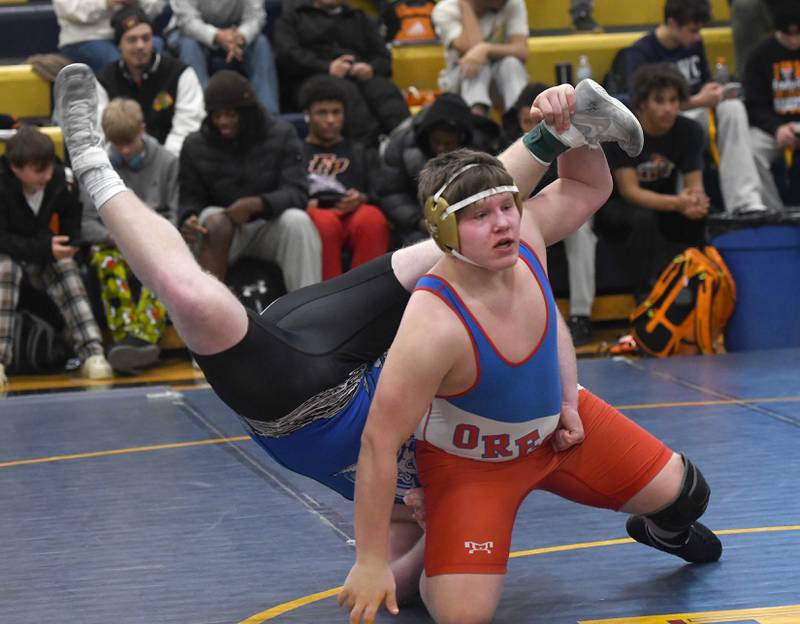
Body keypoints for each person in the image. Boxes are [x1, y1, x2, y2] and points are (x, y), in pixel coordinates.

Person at [54, 62, 649, 603]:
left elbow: (407, 580)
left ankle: (89, 163)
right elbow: (545, 330)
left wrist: (415, 536)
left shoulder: (420, 517)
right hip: (350, 344)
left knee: (193, 301)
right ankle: (557, 134)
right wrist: (568, 401)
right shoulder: (482, 454)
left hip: (288, 397)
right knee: (446, 251)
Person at [338, 84, 720, 624]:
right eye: (480, 216)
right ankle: (432, 549)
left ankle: (662, 528)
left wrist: (572, 131)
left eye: (506, 206)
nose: (503, 224)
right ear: (444, 232)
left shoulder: (527, 234)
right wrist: (370, 560)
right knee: (461, 616)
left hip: (563, 433)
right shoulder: (433, 322)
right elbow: (379, 441)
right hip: (473, 467)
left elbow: (586, 183)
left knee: (689, 494)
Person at [177, 70, 321, 291]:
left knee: (298, 221)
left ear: (248, 112)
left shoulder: (282, 134)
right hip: (223, 231)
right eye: (216, 115)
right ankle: (207, 316)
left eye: (231, 114)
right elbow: (190, 199)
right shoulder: (195, 145)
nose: (223, 122)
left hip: (268, 225)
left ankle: (308, 315)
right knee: (210, 219)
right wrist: (189, 218)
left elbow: (298, 192)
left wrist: (259, 204)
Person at [626, 0, 768, 215]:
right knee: (689, 124)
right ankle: (689, 200)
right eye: (692, 30)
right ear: (672, 23)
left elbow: (703, 83)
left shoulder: (693, 45)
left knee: (733, 108)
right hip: (662, 120)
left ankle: (745, 201)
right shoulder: (641, 53)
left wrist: (716, 91)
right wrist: (698, 101)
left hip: (696, 111)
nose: (697, 37)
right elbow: (642, 105)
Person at [0, 126, 113, 392]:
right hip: (9, 253)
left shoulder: (63, 179)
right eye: (39, 171)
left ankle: (92, 352)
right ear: (16, 168)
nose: (48, 176)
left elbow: (73, 226)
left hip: (43, 253)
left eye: (50, 167)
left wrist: (71, 246)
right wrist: (45, 249)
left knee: (67, 269)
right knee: (4, 269)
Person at [597, 63, 709, 302]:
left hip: (664, 200)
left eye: (673, 100)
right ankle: (648, 295)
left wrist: (696, 201)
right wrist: (679, 203)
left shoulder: (690, 131)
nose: (669, 108)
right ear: (643, 103)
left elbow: (694, 183)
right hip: (616, 206)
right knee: (643, 219)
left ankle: (698, 287)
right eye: (660, 100)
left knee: (698, 217)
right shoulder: (624, 130)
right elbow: (630, 192)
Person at [81, 98, 178, 373]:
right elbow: (86, 223)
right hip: (114, 243)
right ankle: (126, 339)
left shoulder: (167, 161)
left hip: (154, 240)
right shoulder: (96, 166)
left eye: (130, 143)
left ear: (143, 130)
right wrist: (115, 237)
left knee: (164, 260)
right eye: (117, 144)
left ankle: (143, 339)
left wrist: (145, 236)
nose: (124, 151)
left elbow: (175, 215)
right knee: (104, 258)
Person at [503, 82, 596, 346]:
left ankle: (581, 315)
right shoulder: (509, 145)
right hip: (522, 215)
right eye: (524, 121)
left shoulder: (568, 133)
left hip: (560, 209)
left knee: (583, 233)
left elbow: (584, 187)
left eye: (534, 120)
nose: (529, 127)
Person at [273, 0, 410, 146]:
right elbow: (287, 56)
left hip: (358, 75)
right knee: (344, 92)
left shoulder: (358, 17)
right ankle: (368, 151)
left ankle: (406, 142)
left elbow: (383, 58)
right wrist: (328, 67)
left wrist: (371, 68)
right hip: (312, 77)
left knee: (383, 88)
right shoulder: (294, 17)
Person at [299, 76, 391, 281]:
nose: (330, 119)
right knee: (324, 223)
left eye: (336, 112)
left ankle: (369, 296)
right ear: (307, 115)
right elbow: (288, 191)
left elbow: (380, 191)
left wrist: (362, 198)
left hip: (352, 214)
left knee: (372, 218)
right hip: (316, 213)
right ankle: (329, 299)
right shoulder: (296, 151)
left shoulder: (360, 150)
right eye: (322, 113)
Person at [379, 92, 500, 246]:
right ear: (427, 134)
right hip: (417, 225)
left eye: (448, 144)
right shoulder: (401, 144)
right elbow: (392, 193)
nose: (441, 150)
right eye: (436, 142)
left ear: (461, 139)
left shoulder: (483, 147)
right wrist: (419, 221)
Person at [95, 6, 205, 157]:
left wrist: (162, 165)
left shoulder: (180, 74)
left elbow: (188, 127)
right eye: (132, 40)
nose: (140, 45)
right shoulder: (104, 80)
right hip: (120, 164)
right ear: (119, 45)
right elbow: (100, 133)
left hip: (171, 163)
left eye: (146, 38)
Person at [166, 0, 280, 115]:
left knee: (261, 44)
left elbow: (256, 16)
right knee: (189, 45)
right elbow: (187, 21)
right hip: (190, 32)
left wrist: (241, 36)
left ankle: (267, 115)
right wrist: (217, 35)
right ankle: (203, 113)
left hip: (236, 31)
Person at [744, 0, 800, 212]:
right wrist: (776, 128)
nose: (794, 40)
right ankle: (773, 213)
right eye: (788, 35)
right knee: (750, 151)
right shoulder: (760, 55)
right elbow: (754, 104)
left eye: (798, 34)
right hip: (773, 128)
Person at [432, 0, 529, 117]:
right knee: (475, 66)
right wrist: (465, 5)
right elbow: (473, 47)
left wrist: (485, 48)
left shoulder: (512, 3)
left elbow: (522, 50)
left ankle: (520, 124)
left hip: (500, 78)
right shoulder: (445, 10)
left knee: (511, 64)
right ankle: (478, 124)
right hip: (460, 82)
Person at [54, 0, 166, 73]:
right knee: (119, 65)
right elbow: (70, 11)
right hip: (86, 38)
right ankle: (124, 107)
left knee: (156, 45)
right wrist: (105, 3)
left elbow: (157, 6)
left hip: (130, 34)